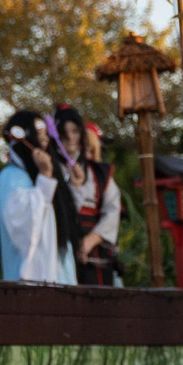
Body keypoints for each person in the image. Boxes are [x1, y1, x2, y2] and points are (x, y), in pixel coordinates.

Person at [0, 110, 73, 284]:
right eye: (38, 134)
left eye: (45, 134)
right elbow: (24, 227)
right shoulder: (11, 176)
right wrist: (45, 178)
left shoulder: (43, 173)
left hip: (59, 273)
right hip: (28, 278)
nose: (44, 139)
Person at [53, 105, 126, 286]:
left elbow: (112, 208)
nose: (70, 137)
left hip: (97, 249)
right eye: (64, 132)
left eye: (75, 131)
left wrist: (91, 240)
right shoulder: (50, 171)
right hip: (61, 245)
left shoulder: (99, 172)